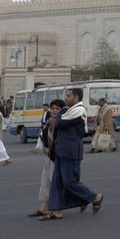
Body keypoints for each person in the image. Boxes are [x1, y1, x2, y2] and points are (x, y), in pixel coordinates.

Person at [45, 87, 103, 219]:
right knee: (57, 181)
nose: (66, 98)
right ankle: (56, 210)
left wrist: (59, 115)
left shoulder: (78, 110)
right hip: (62, 150)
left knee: (69, 181)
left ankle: (94, 196)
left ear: (77, 97)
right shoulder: (69, 110)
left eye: (69, 96)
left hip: (70, 151)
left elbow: (59, 122)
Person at [28, 98, 64, 218]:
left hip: (57, 157)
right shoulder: (49, 121)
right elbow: (45, 139)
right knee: (46, 182)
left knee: (56, 183)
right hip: (48, 156)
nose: (54, 110)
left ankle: (86, 198)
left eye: (57, 109)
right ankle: (44, 208)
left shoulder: (62, 122)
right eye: (52, 108)